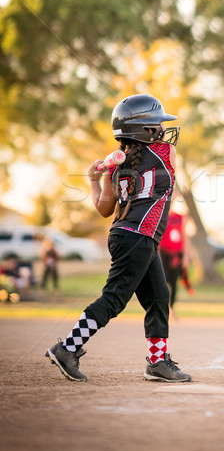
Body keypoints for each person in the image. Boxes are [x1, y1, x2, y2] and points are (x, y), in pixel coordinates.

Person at [45, 94, 192, 383]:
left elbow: (103, 209)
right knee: (114, 299)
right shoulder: (165, 153)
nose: (161, 129)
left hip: (127, 235)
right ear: (143, 130)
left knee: (160, 296)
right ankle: (67, 348)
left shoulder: (115, 166)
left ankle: (158, 362)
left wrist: (92, 180)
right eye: (156, 125)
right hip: (138, 236)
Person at [159, 198, 192, 320]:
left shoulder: (181, 217)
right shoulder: (160, 216)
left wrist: (186, 257)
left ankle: (171, 308)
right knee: (163, 282)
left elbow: (185, 237)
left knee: (173, 283)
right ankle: (163, 308)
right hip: (163, 253)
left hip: (176, 254)